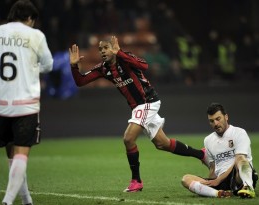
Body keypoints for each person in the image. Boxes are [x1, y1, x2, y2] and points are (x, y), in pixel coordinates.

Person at [69, 36, 208, 192]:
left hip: (147, 102)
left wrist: (120, 53)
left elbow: (144, 65)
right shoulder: (104, 68)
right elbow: (80, 82)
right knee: (162, 143)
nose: (102, 51)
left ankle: (136, 181)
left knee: (128, 138)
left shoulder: (125, 58)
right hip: (138, 108)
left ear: (113, 48)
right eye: (100, 49)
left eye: (106, 48)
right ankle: (201, 154)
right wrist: (74, 66)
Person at [0, 0, 53, 204]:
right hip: (26, 104)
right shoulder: (35, 35)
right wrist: (32, 68)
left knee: (11, 155)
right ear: (30, 18)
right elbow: (48, 65)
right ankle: (7, 201)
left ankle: (25, 199)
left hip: (0, 105)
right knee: (21, 153)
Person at [181, 103, 258, 198]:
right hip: (222, 182)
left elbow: (238, 160)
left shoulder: (239, 133)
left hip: (238, 177)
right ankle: (219, 194)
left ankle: (248, 187)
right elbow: (213, 168)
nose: (215, 123)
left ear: (226, 117)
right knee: (186, 179)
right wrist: (210, 182)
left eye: (218, 119)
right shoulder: (208, 140)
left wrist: (219, 180)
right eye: (211, 121)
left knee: (240, 159)